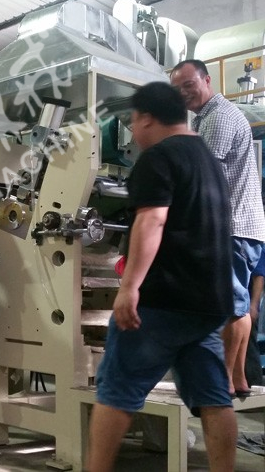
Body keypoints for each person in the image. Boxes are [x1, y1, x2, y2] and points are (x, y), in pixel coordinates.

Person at [88, 82, 237, 471]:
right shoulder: (209, 161)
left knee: (116, 390)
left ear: (146, 118)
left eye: (132, 122)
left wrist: (130, 286)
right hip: (208, 303)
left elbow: (153, 219)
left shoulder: (158, 158)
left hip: (162, 300)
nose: (133, 132)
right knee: (214, 397)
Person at [171, 59, 265, 398]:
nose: (183, 93)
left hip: (233, 228)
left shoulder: (219, 117)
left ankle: (221, 379)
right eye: (177, 89)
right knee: (237, 305)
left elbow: (204, 177)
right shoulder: (208, 118)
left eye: (189, 85)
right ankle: (237, 378)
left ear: (207, 80)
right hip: (240, 227)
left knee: (231, 308)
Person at [245, 251, 264, 387]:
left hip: (245, 305)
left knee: (249, 347)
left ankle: (254, 383)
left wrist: (254, 304)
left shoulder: (254, 245)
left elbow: (259, 275)